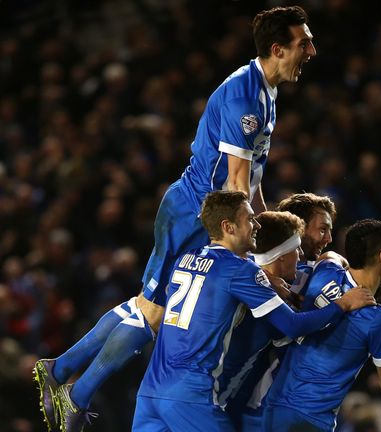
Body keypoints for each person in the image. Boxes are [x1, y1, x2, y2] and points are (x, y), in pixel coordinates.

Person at [33, 6, 317, 431]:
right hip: (195, 213)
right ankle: (72, 390)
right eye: (303, 42)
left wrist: (268, 232)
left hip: (209, 214)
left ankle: (60, 374)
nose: (312, 50)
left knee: (150, 308)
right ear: (278, 49)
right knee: (152, 313)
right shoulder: (246, 98)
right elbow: (236, 183)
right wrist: (259, 262)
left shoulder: (265, 92)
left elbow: (252, 180)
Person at [74, 190, 367, 432]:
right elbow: (291, 325)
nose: (256, 225)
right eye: (250, 220)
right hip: (192, 395)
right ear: (229, 227)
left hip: (151, 390)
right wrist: (343, 303)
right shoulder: (241, 272)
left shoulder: (186, 259)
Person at [263, 218, 381, 431]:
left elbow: (328, 256)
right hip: (312, 421)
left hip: (274, 408)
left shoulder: (326, 271)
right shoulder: (377, 320)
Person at [218, 192, 341, 430]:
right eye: (323, 229)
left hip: (242, 398)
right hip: (232, 398)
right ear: (299, 230)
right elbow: (293, 326)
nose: (328, 239)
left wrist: (333, 259)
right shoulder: (257, 270)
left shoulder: (243, 265)